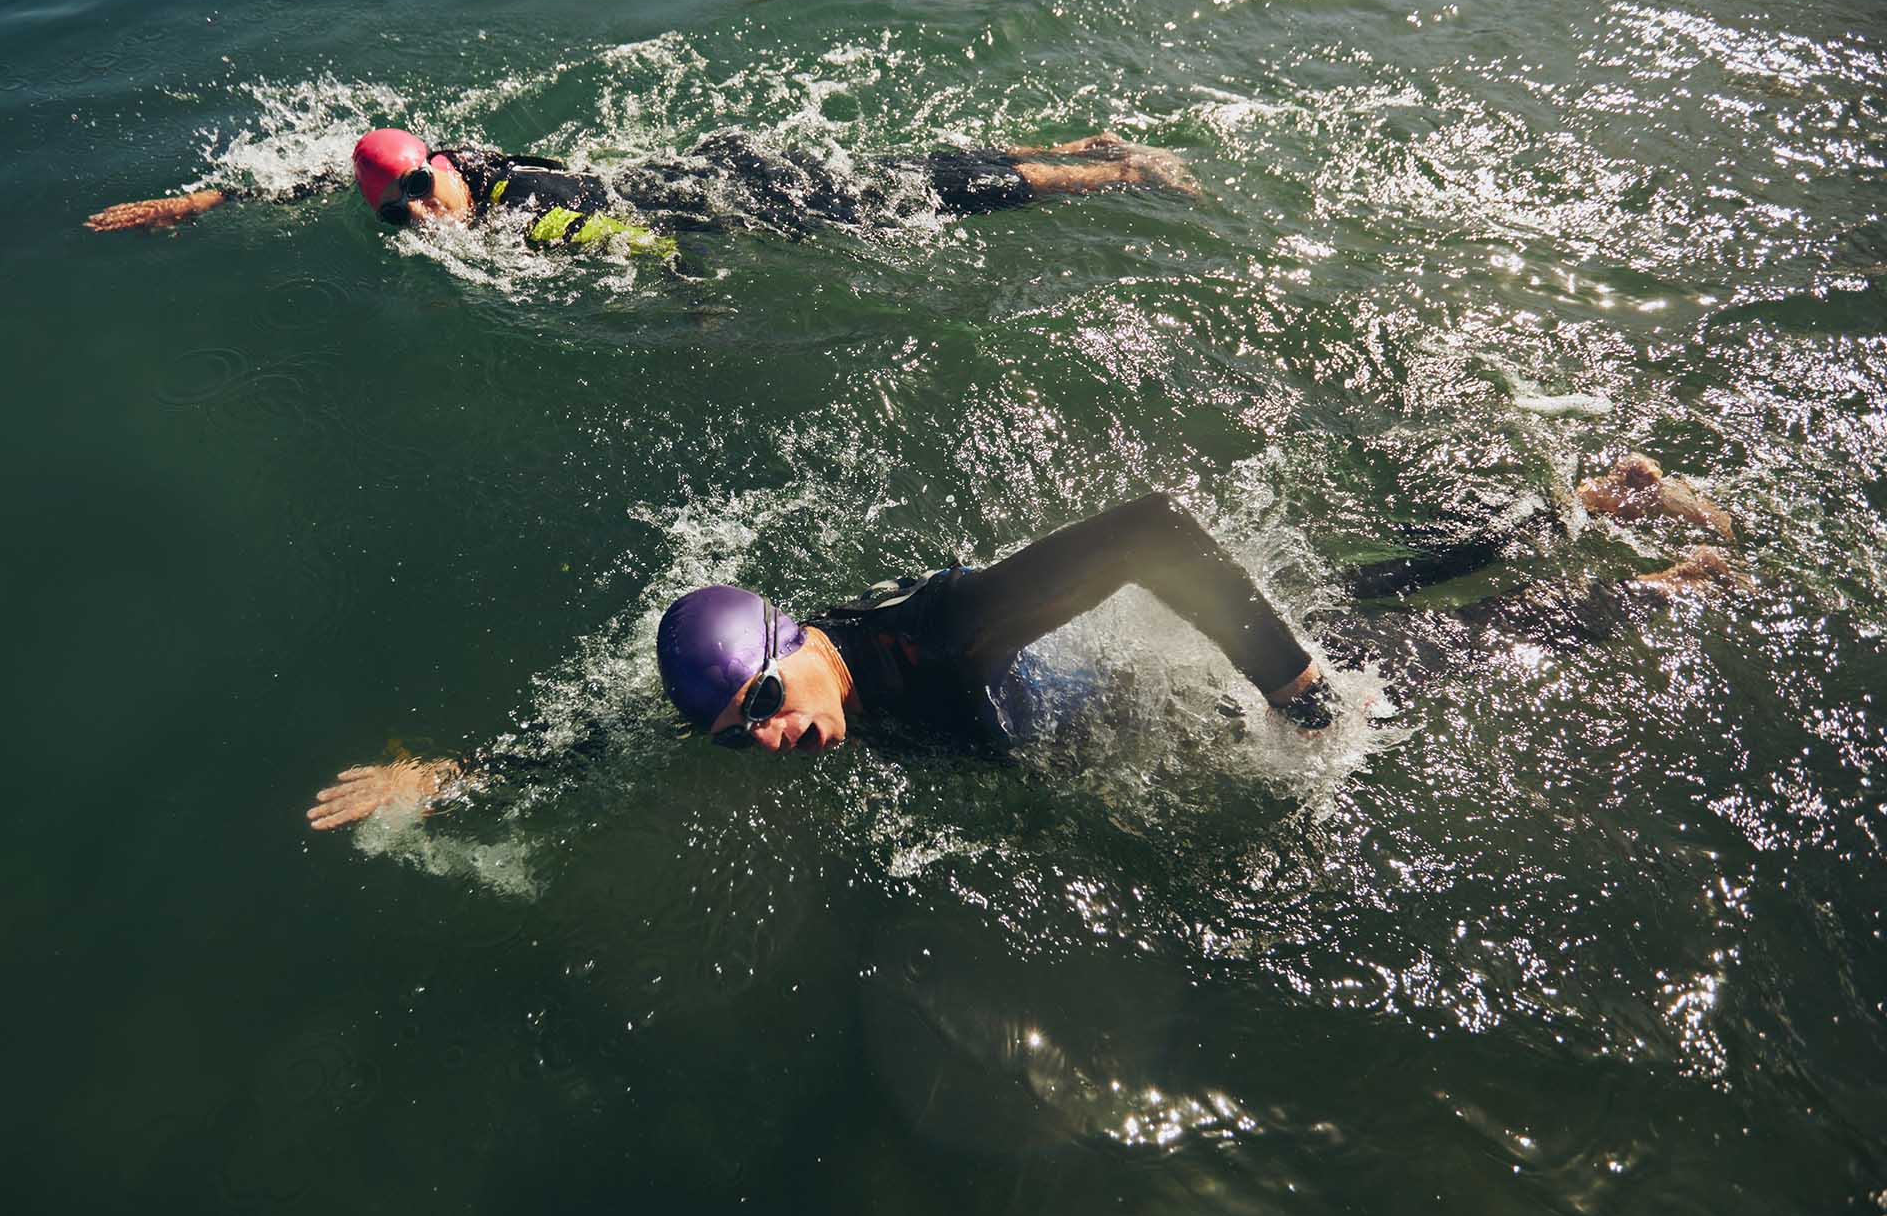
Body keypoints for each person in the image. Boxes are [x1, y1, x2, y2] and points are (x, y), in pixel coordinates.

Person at [304, 453, 1740, 831]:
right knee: (1368, 589)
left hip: (1143, 684)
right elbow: (623, 733)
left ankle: (1662, 575)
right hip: (1096, 705)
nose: (773, 734)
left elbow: (1156, 531)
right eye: (740, 729)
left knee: (1411, 654)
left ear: (797, 638)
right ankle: (1577, 500)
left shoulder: (939, 635)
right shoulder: (776, 696)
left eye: (766, 699)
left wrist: (1294, 695)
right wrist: (453, 770)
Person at [83, 125, 1203, 248]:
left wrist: (702, 310)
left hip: (735, 193)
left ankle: (1119, 169)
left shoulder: (523, 210)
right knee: (910, 174)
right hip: (703, 168)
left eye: (417, 191)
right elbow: (325, 171)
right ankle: (1091, 148)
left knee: (918, 196)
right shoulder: (468, 166)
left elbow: (653, 252)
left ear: (437, 166)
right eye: (392, 209)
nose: (416, 212)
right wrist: (198, 202)